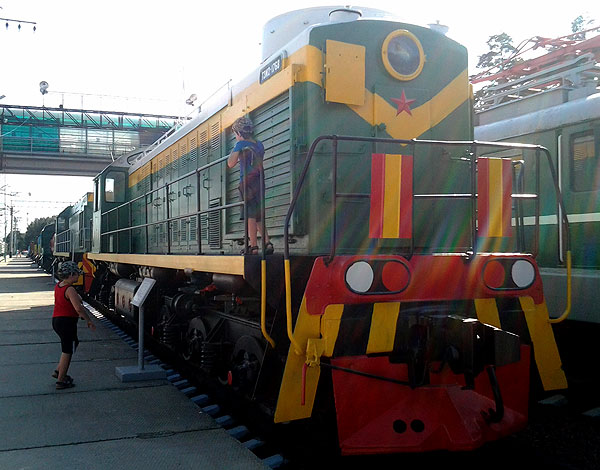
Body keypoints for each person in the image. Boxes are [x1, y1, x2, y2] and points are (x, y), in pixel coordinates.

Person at [227, 116, 274, 255]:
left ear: (239, 133)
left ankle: (253, 246)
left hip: (247, 182)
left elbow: (230, 163)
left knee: (250, 215)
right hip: (260, 181)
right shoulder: (259, 144)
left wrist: (237, 146)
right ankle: (267, 242)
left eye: (235, 134)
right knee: (258, 214)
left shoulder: (240, 144)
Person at [52, 261, 96, 390]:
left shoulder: (59, 286)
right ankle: (61, 381)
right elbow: (78, 308)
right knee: (68, 350)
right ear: (71, 274)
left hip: (57, 321)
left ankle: (58, 371)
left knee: (72, 343)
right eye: (77, 274)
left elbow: (70, 300)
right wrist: (88, 320)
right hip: (67, 322)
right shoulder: (70, 289)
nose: (78, 276)